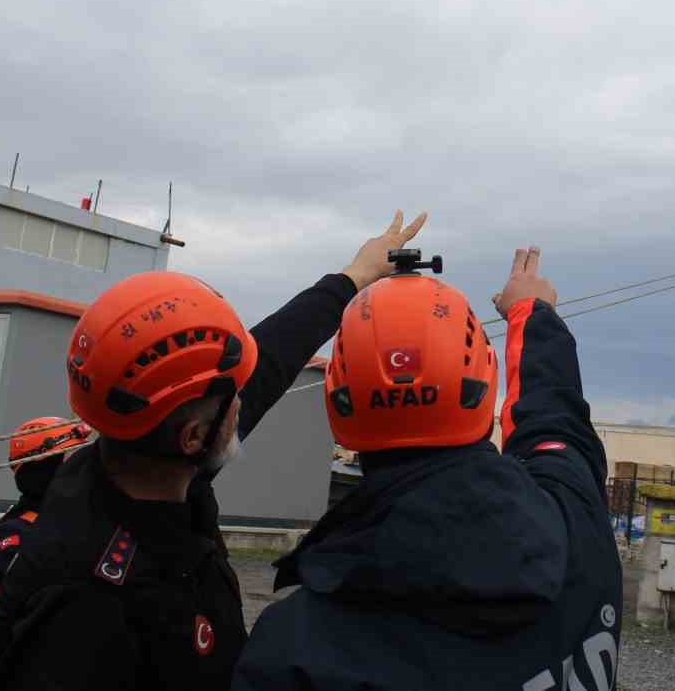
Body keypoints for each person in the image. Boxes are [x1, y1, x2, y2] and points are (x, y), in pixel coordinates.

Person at [0, 210, 427, 691]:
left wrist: (353, 277)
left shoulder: (135, 480)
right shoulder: (87, 604)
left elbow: (271, 358)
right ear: (194, 438)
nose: (244, 401)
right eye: (232, 397)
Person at [233, 246, 624, 691]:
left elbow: (202, 429)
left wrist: (350, 280)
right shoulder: (576, 520)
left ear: (338, 405)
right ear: (484, 382)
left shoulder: (297, 650)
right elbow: (557, 418)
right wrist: (529, 313)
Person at [0, 416, 92, 605]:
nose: (82, 468)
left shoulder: (70, 517)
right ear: (44, 470)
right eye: (71, 460)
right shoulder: (16, 531)